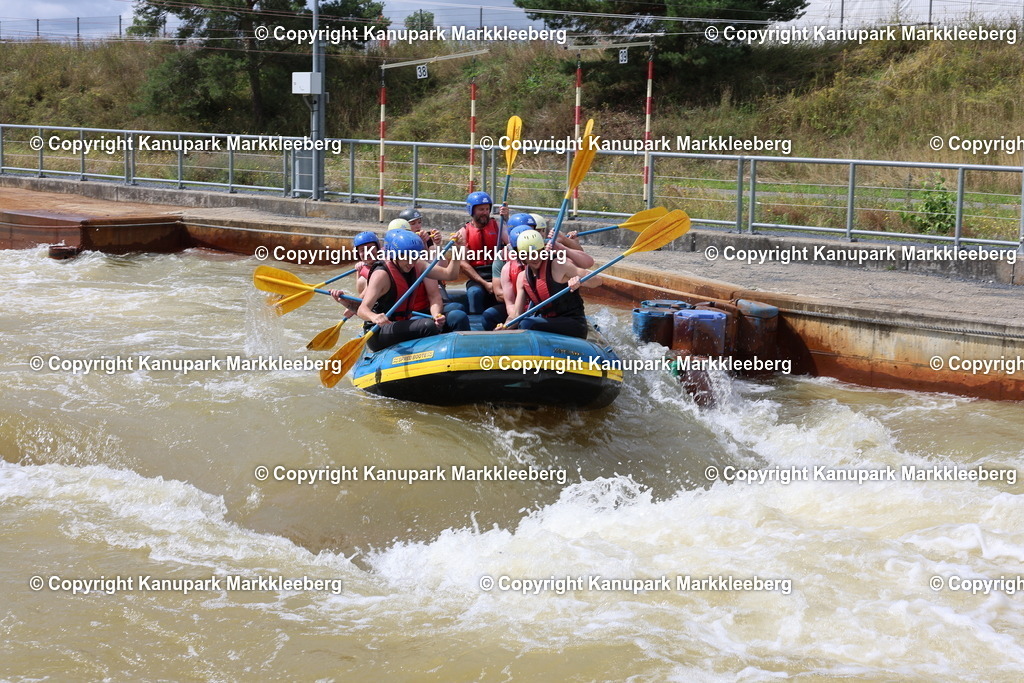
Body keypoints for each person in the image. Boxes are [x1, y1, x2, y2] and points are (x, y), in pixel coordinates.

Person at [342, 229, 470, 352]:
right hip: (380, 331)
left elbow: (450, 275)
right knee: (427, 325)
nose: (410, 263)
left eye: (414, 257)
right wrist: (374, 317)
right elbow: (362, 309)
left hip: (403, 323)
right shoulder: (381, 274)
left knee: (458, 317)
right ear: (394, 255)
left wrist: (458, 249)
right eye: (406, 257)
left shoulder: (417, 264)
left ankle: (464, 355)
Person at [504, 229, 602, 339]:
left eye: (537, 252)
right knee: (523, 323)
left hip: (574, 324)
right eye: (529, 254)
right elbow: (516, 315)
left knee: (527, 323)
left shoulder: (557, 265)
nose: (535, 258)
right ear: (522, 257)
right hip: (548, 321)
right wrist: (504, 327)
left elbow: (597, 281)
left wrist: (579, 280)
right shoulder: (522, 277)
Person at [458, 191, 508, 315]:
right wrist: (485, 284)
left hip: (497, 273)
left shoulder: (498, 225)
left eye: (487, 209)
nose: (485, 212)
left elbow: (513, 245)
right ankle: (476, 325)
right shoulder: (463, 232)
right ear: (472, 210)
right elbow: (463, 264)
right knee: (475, 293)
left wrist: (507, 220)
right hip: (477, 276)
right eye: (481, 209)